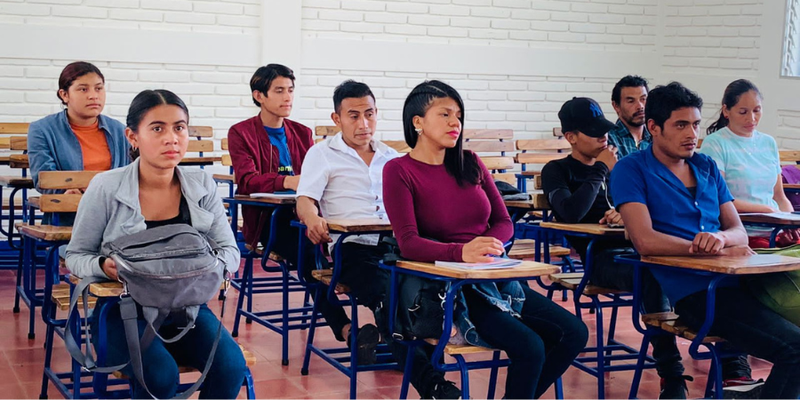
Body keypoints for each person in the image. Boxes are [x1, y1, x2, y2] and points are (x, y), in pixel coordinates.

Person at [383, 80, 588, 399]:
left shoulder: (471, 163)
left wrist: (488, 247)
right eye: (445, 114)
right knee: (531, 347)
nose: (455, 122)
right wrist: (462, 252)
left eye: (459, 115)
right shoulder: (399, 170)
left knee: (574, 333)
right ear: (417, 122)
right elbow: (408, 242)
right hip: (451, 285)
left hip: (493, 275)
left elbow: (503, 221)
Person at [611, 82, 800, 400]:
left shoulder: (706, 166)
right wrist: (701, 246)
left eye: (696, 124)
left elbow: (738, 231)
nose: (691, 134)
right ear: (654, 127)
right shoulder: (632, 170)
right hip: (699, 294)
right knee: (794, 350)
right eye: (681, 125)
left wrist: (719, 237)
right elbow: (644, 240)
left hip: (745, 282)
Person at [66, 89, 246, 399]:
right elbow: (75, 255)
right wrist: (100, 266)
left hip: (186, 309)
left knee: (231, 366)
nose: (172, 138)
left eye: (179, 127)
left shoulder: (201, 185)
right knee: (161, 376)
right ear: (132, 136)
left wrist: (208, 270)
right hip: (123, 312)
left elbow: (230, 251)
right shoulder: (107, 187)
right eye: (157, 128)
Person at [542, 97, 688, 399]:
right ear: (570, 137)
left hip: (637, 249)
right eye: (592, 132)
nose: (603, 136)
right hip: (600, 259)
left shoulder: (623, 168)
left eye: (604, 130)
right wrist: (600, 170)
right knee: (651, 274)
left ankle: (713, 343)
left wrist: (628, 213)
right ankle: (672, 376)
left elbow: (651, 208)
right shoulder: (557, 170)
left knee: (677, 265)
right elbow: (570, 212)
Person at [227, 64, 364, 355]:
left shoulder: (301, 133)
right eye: (279, 91)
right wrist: (289, 180)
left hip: (305, 214)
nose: (287, 97)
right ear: (259, 95)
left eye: (290, 90)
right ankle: (344, 326)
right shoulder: (240, 132)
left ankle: (379, 323)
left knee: (344, 246)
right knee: (308, 251)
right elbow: (247, 179)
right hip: (269, 221)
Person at [295, 80, 398, 367]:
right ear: (337, 119)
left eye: (370, 113)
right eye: (354, 116)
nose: (364, 123)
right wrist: (313, 218)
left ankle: (403, 344)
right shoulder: (322, 154)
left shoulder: (392, 157)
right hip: (352, 248)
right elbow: (304, 199)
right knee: (385, 289)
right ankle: (401, 348)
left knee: (417, 282)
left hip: (393, 245)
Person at [700, 79, 799, 248]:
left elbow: (779, 196)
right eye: (743, 112)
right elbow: (719, 199)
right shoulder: (715, 144)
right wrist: (766, 210)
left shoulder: (768, 143)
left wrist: (791, 224)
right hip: (742, 232)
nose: (751, 118)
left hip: (777, 228)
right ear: (726, 111)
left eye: (757, 111)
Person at [28, 61, 130, 225]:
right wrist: (66, 191)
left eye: (98, 88)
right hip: (69, 214)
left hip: (116, 215)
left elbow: (131, 175)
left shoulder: (120, 131)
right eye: (83, 89)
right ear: (64, 95)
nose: (93, 95)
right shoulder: (42, 129)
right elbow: (43, 177)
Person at [607, 75, 651, 159]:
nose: (640, 106)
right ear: (616, 106)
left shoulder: (656, 137)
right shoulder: (609, 139)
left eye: (643, 99)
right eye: (631, 101)